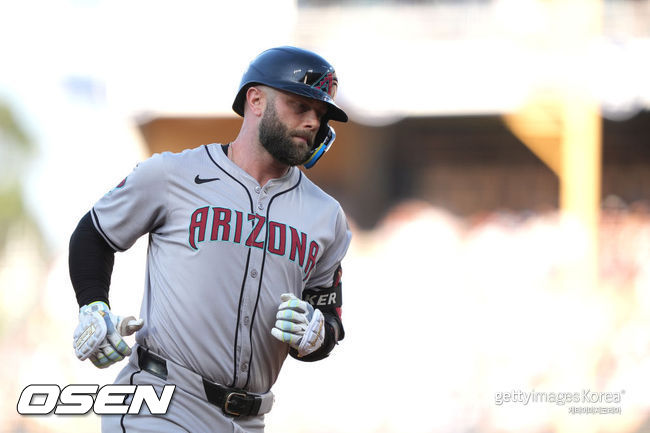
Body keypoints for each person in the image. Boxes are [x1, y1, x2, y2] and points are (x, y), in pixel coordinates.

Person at [68, 46, 351, 432]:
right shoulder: (172, 174)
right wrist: (93, 306)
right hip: (162, 402)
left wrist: (317, 336)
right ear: (255, 99)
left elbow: (329, 319)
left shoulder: (326, 216)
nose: (311, 122)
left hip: (250, 419)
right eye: (299, 106)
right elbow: (94, 233)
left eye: (319, 114)